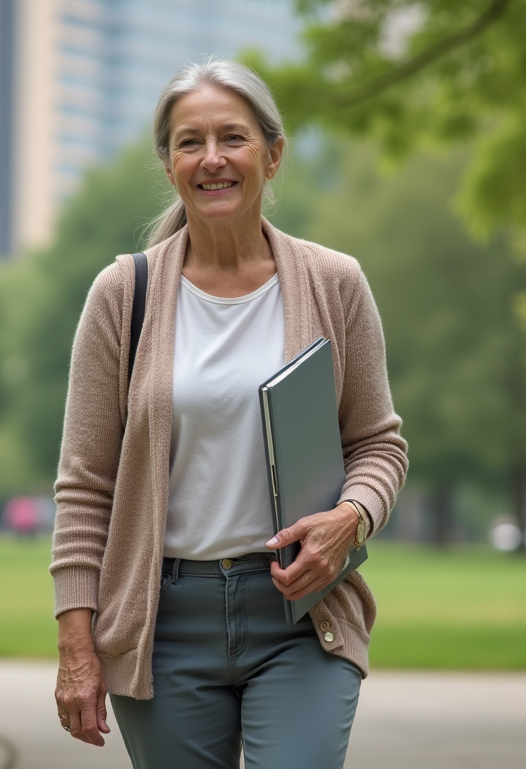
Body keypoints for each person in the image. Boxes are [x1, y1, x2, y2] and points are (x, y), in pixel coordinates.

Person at [50, 58, 408, 769]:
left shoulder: (335, 283)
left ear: (272, 156)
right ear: (170, 163)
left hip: (301, 618)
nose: (212, 158)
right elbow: (85, 486)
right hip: (164, 625)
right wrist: (76, 645)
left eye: (233, 138)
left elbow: (378, 445)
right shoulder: (124, 295)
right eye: (190, 142)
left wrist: (350, 519)